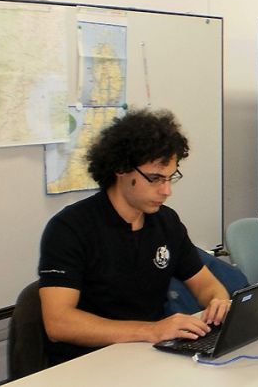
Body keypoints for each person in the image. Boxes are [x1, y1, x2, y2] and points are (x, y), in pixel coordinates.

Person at [37, 109, 231, 366]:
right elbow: (59, 323)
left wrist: (218, 301)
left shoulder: (166, 222)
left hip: (149, 355)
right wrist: (150, 330)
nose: (166, 190)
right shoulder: (70, 228)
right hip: (88, 363)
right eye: (155, 178)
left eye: (170, 178)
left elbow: (205, 284)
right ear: (121, 168)